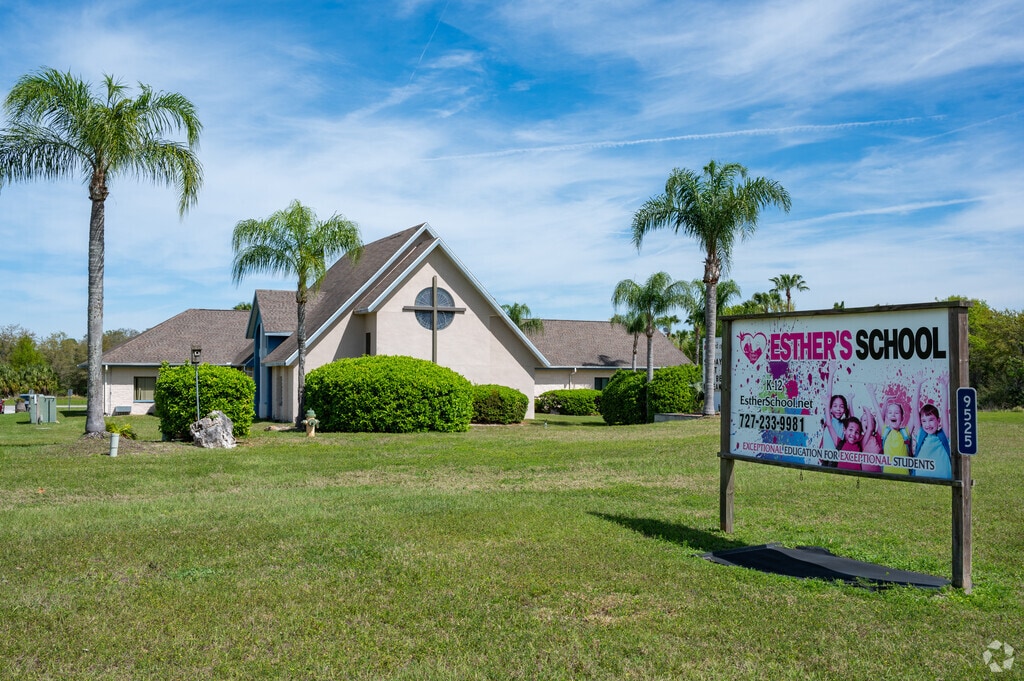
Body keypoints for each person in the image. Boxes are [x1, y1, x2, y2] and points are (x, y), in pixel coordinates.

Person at [909, 374, 952, 479]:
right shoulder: (921, 434)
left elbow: (944, 411)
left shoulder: (943, 435)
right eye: (924, 421)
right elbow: (914, 409)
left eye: (931, 420)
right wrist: (918, 384)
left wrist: (944, 386)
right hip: (921, 477)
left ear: (938, 420)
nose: (927, 424)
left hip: (944, 477)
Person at [868, 384, 912, 475]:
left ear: (902, 417)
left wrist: (918, 384)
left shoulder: (906, 432)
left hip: (905, 477)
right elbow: (877, 411)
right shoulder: (885, 431)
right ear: (887, 417)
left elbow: (915, 411)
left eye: (896, 413)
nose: (893, 415)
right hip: (887, 476)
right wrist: (872, 393)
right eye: (890, 412)